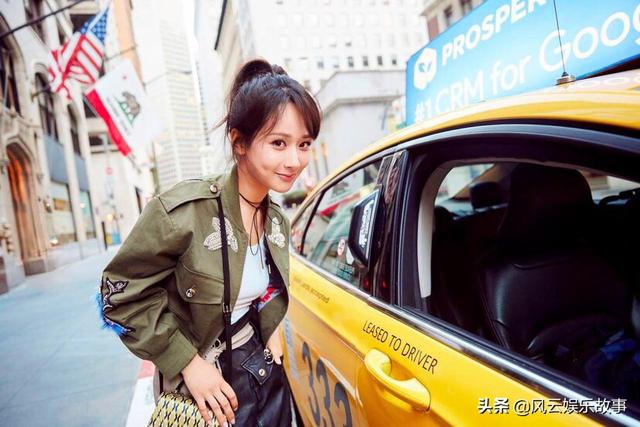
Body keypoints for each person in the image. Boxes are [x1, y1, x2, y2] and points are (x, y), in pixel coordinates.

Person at [97, 58, 322, 426]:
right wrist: (187, 363)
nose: (295, 160)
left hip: (264, 373)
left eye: (304, 144)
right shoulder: (186, 211)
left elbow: (259, 287)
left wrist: (269, 327)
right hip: (206, 388)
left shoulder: (276, 220)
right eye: (279, 143)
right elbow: (118, 295)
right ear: (239, 142)